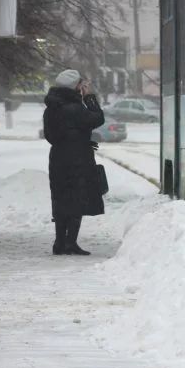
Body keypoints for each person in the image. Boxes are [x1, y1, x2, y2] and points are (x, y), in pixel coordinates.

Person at [43, 69, 105, 255]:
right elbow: (97, 119)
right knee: (77, 199)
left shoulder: (51, 108)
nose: (82, 87)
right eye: (80, 84)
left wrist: (76, 139)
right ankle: (70, 243)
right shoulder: (74, 107)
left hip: (58, 159)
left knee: (61, 199)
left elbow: (53, 135)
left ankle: (59, 243)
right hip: (77, 160)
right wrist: (90, 98)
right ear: (75, 87)